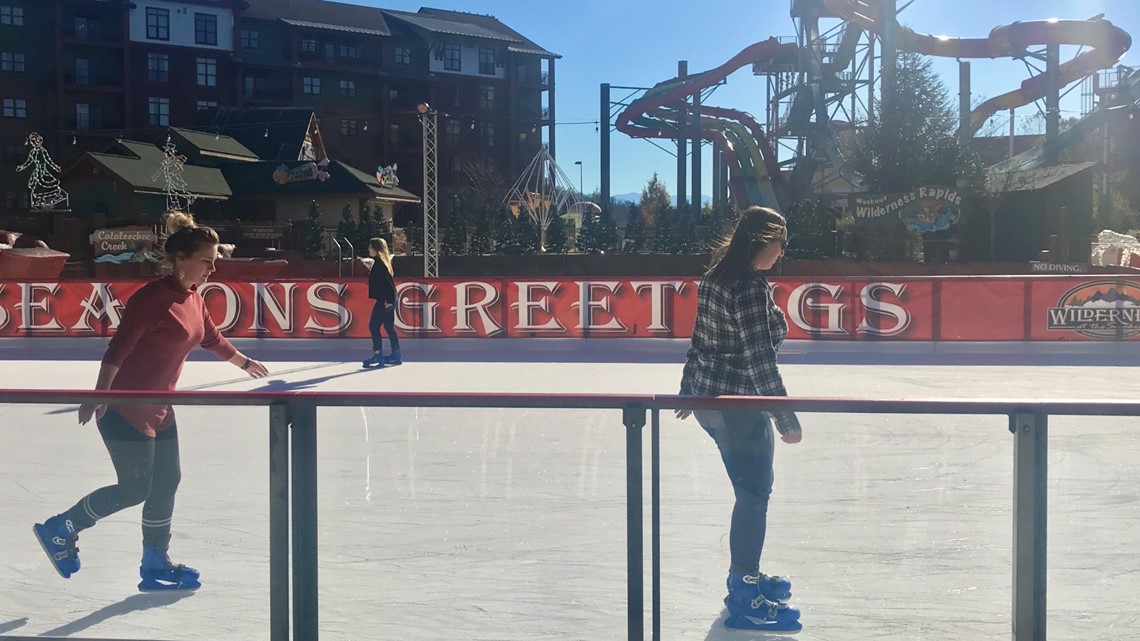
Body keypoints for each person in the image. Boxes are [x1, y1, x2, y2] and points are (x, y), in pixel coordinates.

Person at [33, 211, 269, 591]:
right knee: (135, 487)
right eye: (207, 261)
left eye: (215, 262)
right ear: (181, 259)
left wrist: (244, 363)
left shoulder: (193, 298)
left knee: (166, 483)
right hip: (124, 407)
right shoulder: (152, 298)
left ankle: (154, 563)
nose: (213, 269)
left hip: (159, 407)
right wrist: (100, 393)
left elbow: (210, 337)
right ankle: (62, 527)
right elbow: (119, 347)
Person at [676, 206, 803, 632]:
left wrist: (687, 389)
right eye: (779, 241)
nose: (782, 250)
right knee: (754, 495)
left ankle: (746, 573)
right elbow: (758, 357)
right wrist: (785, 419)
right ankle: (744, 587)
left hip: (711, 403)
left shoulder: (715, 276)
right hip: (738, 405)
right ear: (761, 240)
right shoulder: (748, 286)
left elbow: (700, 339)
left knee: (749, 492)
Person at [362, 237, 401, 368]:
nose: (368, 249)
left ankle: (378, 355)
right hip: (388, 298)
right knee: (389, 326)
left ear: (376, 249)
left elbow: (388, 285)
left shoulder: (380, 264)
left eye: (370, 247)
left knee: (373, 326)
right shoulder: (381, 263)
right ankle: (396, 354)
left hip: (386, 299)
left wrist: (389, 300)